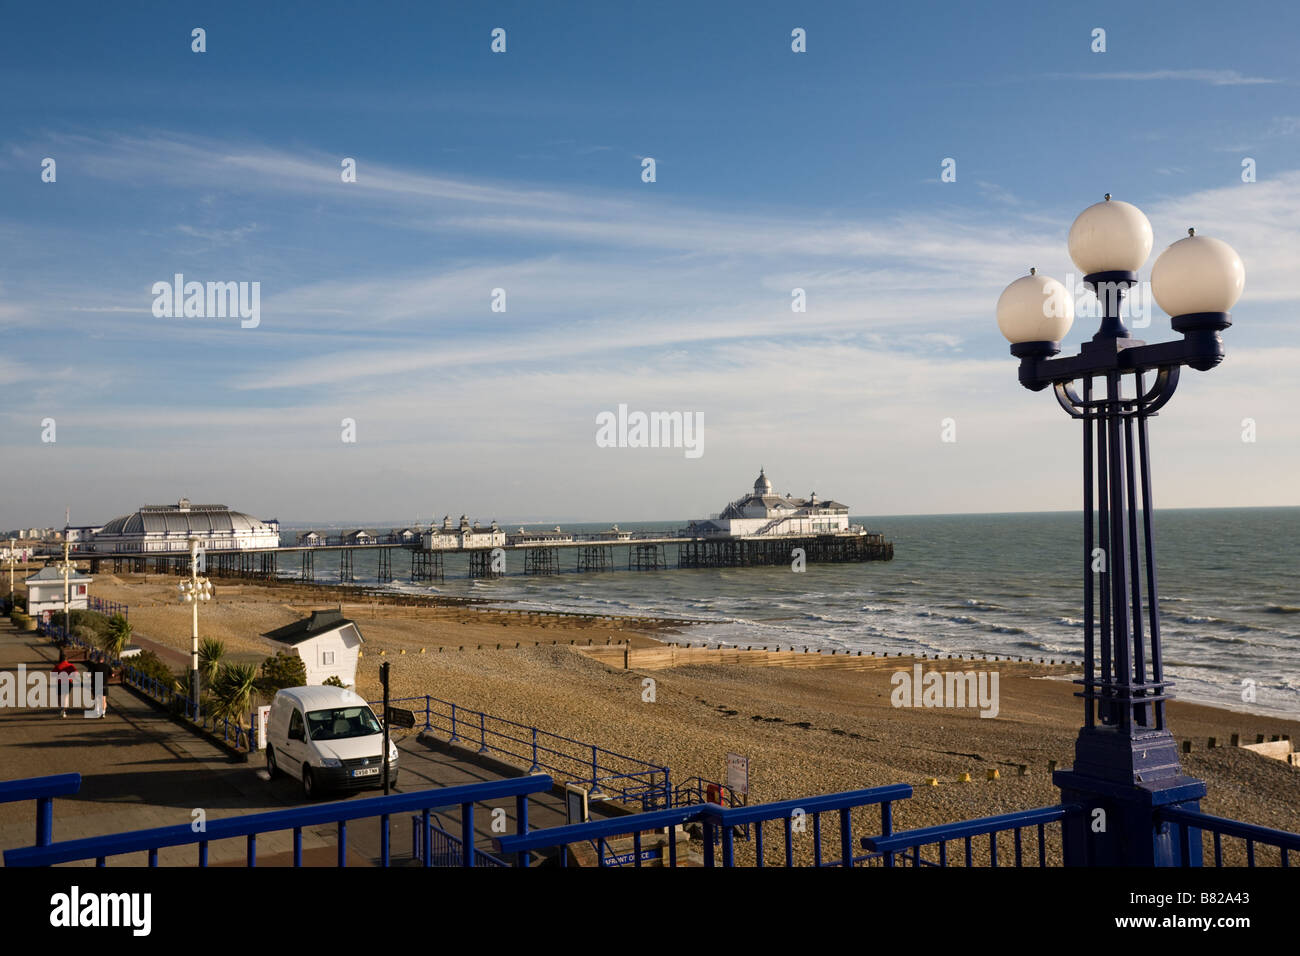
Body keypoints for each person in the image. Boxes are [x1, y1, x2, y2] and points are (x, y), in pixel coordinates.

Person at [53, 649, 78, 719]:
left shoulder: (58, 666)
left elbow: (53, 674)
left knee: (59, 698)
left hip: (60, 683)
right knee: (66, 697)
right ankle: (64, 711)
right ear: (67, 659)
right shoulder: (71, 665)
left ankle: (62, 709)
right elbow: (76, 673)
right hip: (68, 683)